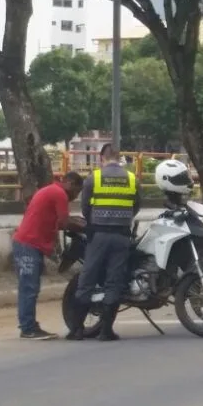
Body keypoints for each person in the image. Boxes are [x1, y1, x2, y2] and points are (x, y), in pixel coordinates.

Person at [67, 144, 139, 341]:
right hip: (122, 236)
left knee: (88, 278)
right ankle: (106, 331)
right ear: (119, 158)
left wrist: (98, 220)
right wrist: (122, 219)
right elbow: (136, 206)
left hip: (98, 235)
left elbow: (85, 208)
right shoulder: (132, 179)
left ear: (102, 158)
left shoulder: (94, 178)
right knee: (114, 282)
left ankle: (77, 330)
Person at [11, 171, 84, 340]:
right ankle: (28, 328)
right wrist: (85, 227)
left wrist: (75, 221)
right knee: (29, 287)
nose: (76, 196)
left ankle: (28, 324)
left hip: (27, 243)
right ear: (71, 184)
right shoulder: (59, 194)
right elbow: (65, 223)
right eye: (77, 191)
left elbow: (57, 221)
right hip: (28, 244)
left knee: (29, 287)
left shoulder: (51, 190)